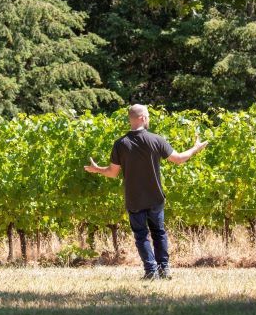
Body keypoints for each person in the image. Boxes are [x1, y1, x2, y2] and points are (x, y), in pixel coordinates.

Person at [84, 104, 208, 279]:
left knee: (141, 236)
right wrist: (195, 148)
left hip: (134, 200)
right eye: (148, 116)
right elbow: (179, 159)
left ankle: (151, 271)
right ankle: (164, 270)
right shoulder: (156, 140)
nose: (149, 119)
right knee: (159, 233)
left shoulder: (120, 144)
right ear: (142, 118)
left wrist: (97, 169)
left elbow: (112, 173)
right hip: (155, 198)